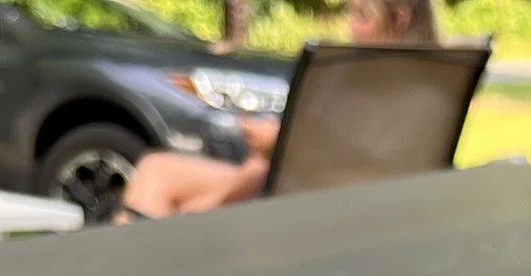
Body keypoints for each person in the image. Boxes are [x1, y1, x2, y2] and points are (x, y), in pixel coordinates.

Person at [117, 0, 439, 218]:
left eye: (362, 15)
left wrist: (280, 145)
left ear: (399, 19)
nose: (351, 27)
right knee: (156, 168)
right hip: (308, 189)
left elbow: (354, 168)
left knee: (160, 186)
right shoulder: (433, 83)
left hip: (314, 208)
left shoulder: (381, 85)